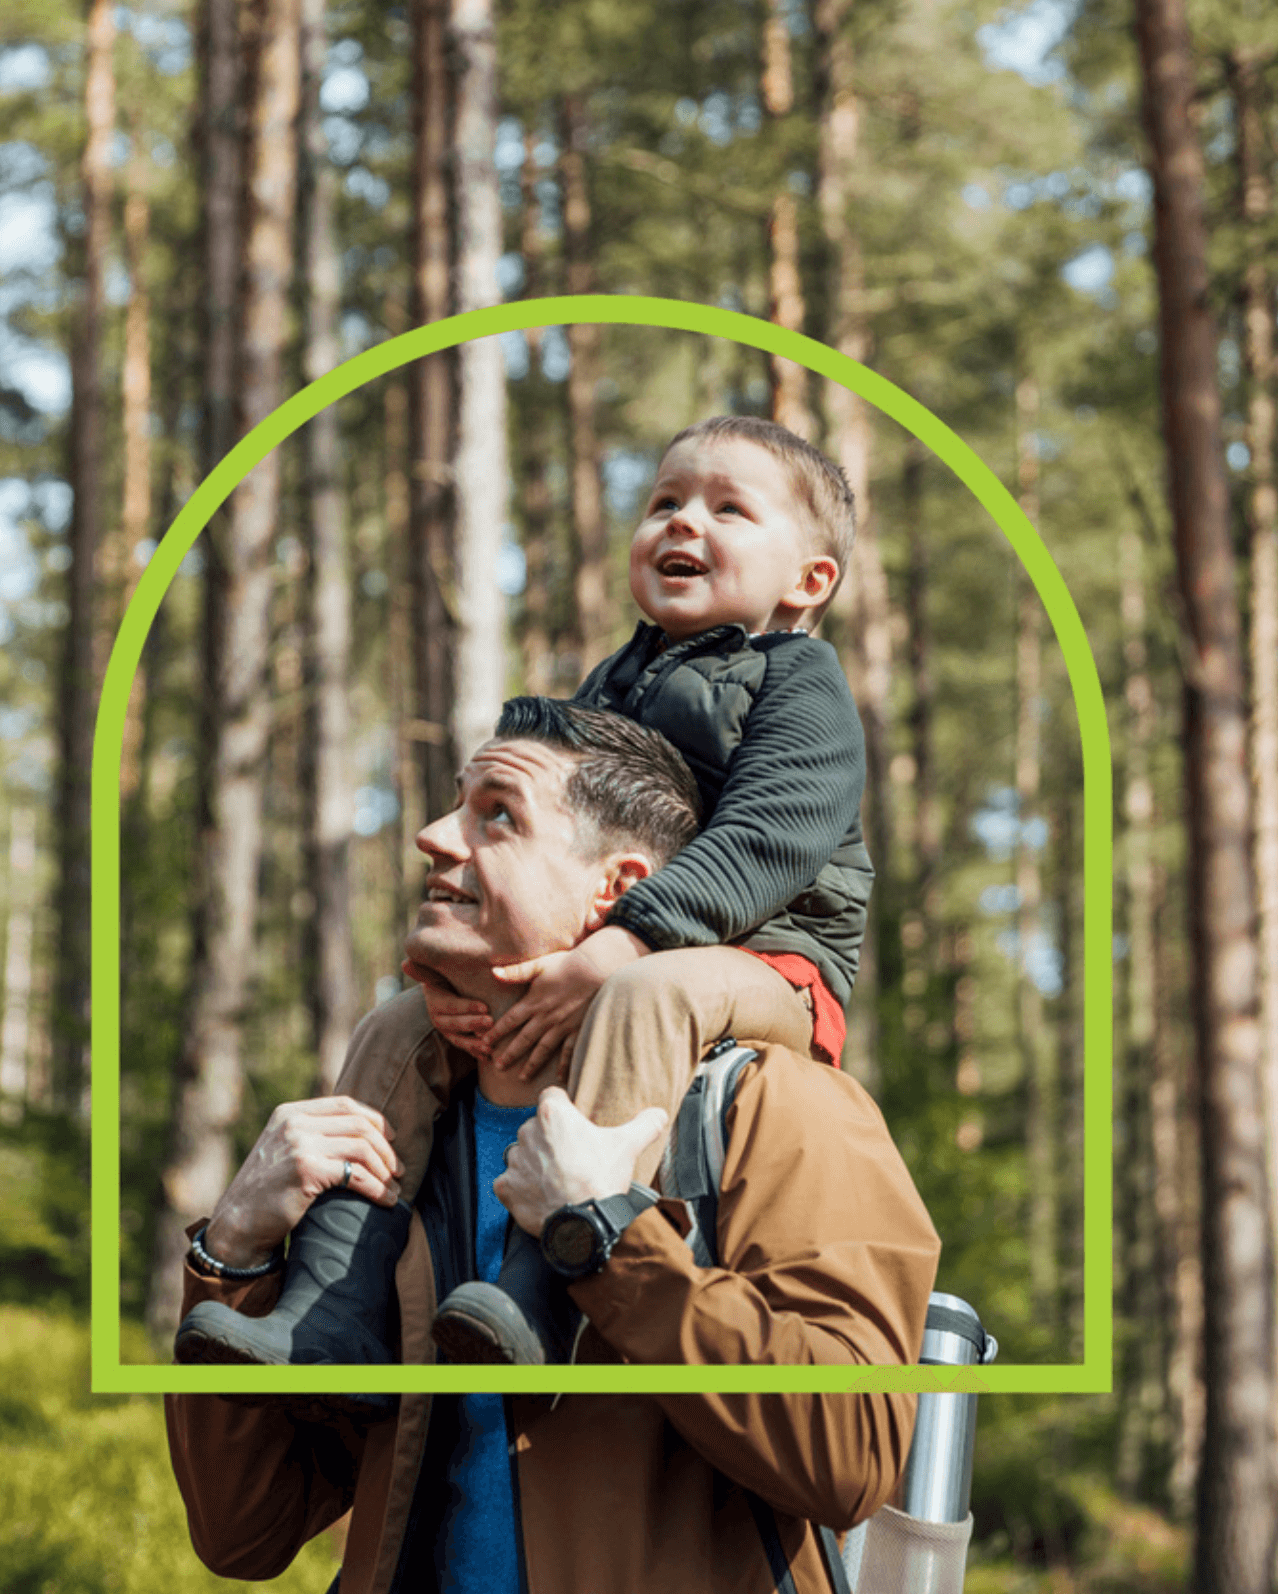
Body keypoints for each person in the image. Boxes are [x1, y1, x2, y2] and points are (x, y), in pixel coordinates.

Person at [165, 704, 940, 1594]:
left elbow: (851, 1457)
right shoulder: (402, 1134)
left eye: (498, 815)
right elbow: (244, 1531)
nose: (433, 837)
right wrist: (235, 1250)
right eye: (456, 805)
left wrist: (610, 1238)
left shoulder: (772, 1110)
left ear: (618, 890)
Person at [175, 410, 874, 1371]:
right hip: (635, 934)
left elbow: (771, 835)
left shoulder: (803, 684)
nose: (681, 523)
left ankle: (547, 1289)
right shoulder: (612, 685)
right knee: (398, 1025)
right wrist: (454, 978)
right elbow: (548, 851)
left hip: (775, 956)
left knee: (645, 994)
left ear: (810, 581)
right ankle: (332, 1308)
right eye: (664, 501)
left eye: (727, 508)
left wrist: (630, 937)